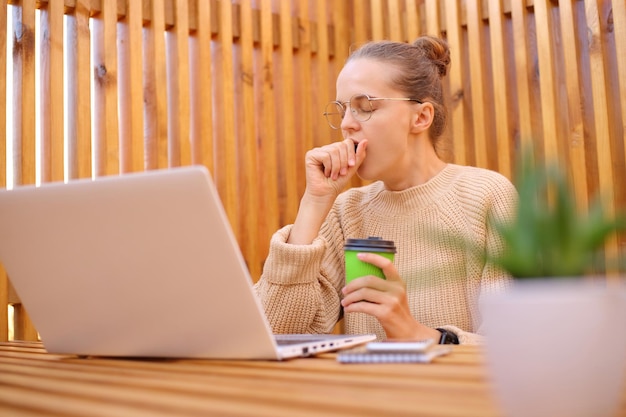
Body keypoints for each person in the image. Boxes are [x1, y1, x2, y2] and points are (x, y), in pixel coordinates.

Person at [253, 36, 518, 344]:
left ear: (420, 117)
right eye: (343, 111)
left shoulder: (486, 196)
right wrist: (314, 203)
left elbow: (515, 346)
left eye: (364, 107)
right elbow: (273, 333)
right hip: (365, 392)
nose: (347, 125)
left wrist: (420, 335)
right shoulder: (347, 210)